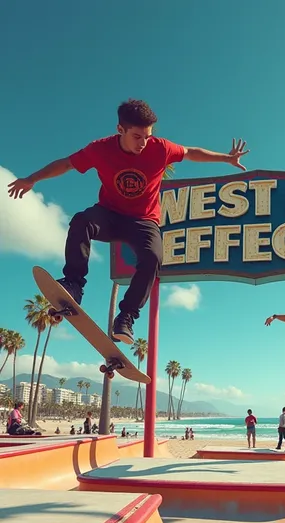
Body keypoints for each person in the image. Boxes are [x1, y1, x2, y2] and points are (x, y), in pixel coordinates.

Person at [8, 99, 250, 344]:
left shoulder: (161, 148)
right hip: (109, 214)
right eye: (137, 137)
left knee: (153, 257)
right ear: (120, 130)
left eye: (147, 136)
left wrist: (225, 159)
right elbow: (67, 163)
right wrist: (31, 179)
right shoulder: (100, 149)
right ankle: (73, 284)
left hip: (143, 220)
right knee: (81, 221)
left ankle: (126, 317)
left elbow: (189, 152)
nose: (143, 144)